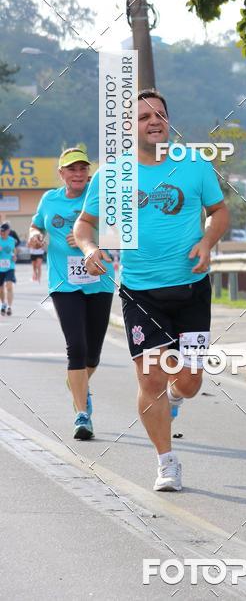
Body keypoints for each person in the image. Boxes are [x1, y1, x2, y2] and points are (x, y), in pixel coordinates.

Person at [74, 89, 230, 492]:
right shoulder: (112, 175)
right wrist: (91, 249)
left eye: (159, 114)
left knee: (191, 381)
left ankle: (176, 399)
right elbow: (84, 224)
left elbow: (220, 212)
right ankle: (167, 461)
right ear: (130, 127)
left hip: (192, 288)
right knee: (150, 378)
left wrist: (207, 243)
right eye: (143, 117)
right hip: (141, 292)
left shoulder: (194, 164)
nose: (154, 121)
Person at [28, 148, 115, 440]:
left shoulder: (100, 195)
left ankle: (77, 382)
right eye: (71, 169)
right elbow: (36, 224)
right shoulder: (49, 199)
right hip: (64, 283)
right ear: (61, 173)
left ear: (88, 173)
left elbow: (121, 233)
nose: (77, 174)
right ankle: (82, 414)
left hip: (99, 280)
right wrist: (34, 236)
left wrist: (89, 238)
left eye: (82, 169)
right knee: (75, 346)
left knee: (93, 355)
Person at [0, 222, 17, 315]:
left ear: (8, 231)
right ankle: (3, 304)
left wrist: (15, 256)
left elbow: (14, 250)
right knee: (1, 289)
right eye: (0, 231)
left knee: (9, 286)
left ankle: (9, 307)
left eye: (3, 231)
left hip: (10, 266)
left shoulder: (11, 240)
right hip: (0, 268)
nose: (1, 233)